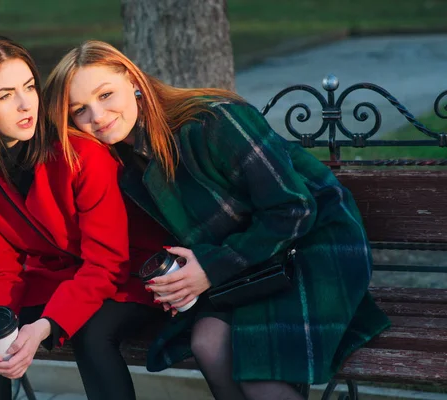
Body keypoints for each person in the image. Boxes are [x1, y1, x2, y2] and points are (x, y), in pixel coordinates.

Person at [43, 40, 391, 400]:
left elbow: (294, 210)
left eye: (105, 95)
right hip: (250, 265)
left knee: (259, 372)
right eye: (79, 110)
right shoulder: (125, 162)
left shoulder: (213, 121)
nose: (97, 116)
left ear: (133, 80)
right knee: (208, 343)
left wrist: (210, 268)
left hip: (313, 246)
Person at [0, 35, 165, 400]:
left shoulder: (80, 153)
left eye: (29, 86)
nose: (26, 103)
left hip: (128, 275)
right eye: (5, 95)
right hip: (59, 278)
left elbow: (106, 263)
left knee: (90, 331)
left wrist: (44, 327)